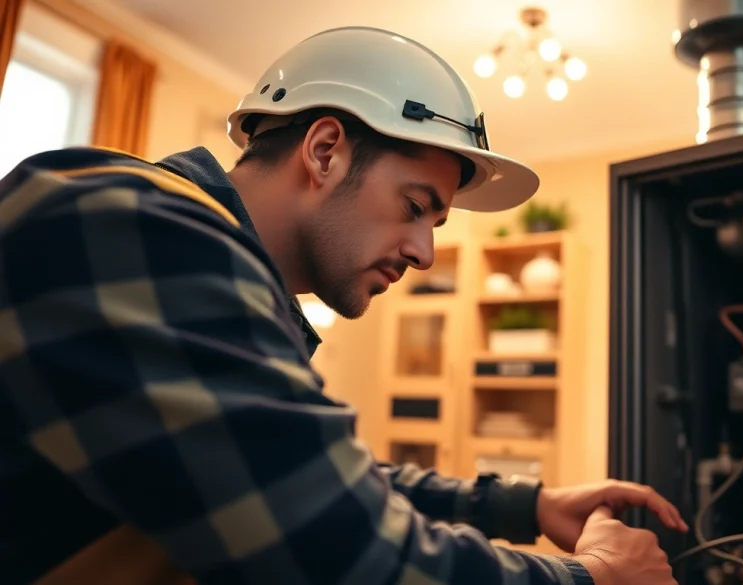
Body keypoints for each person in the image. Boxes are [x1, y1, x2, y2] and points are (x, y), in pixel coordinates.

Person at [0, 26, 684, 585]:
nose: (422, 252)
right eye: (416, 207)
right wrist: (594, 577)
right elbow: (341, 547)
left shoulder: (210, 270)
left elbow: (302, 469)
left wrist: (527, 502)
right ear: (325, 150)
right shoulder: (133, 224)